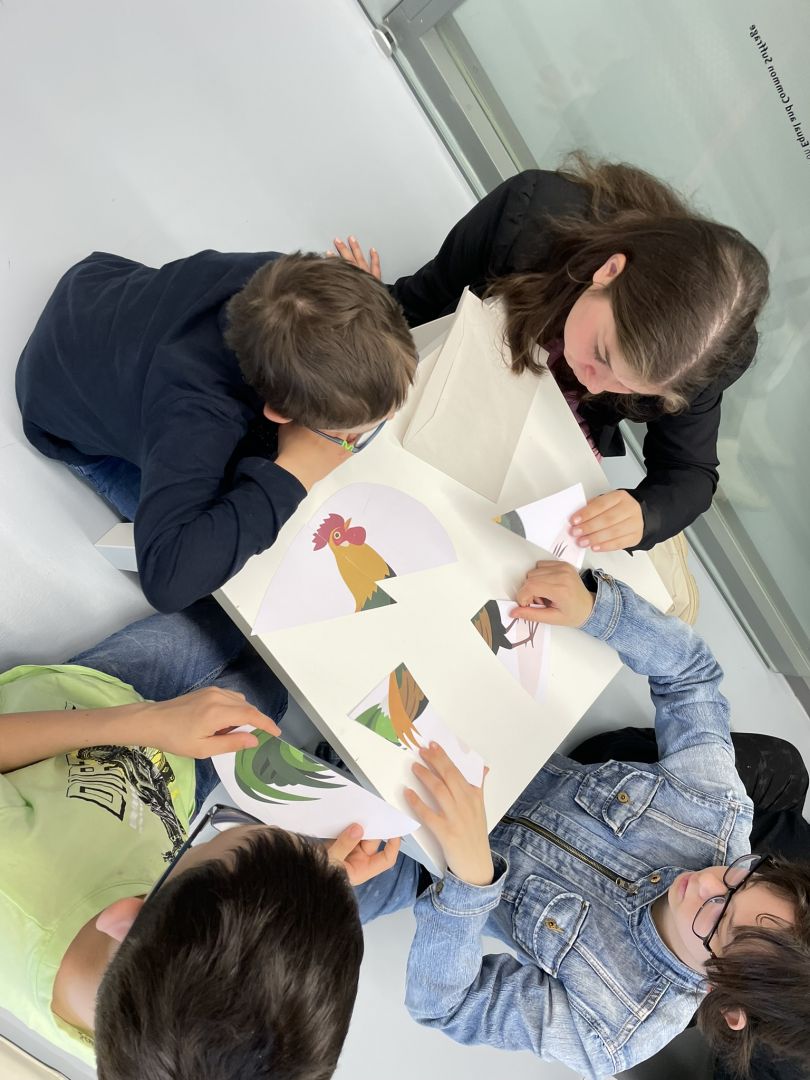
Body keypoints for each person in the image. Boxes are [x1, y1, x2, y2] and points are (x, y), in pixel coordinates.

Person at [352, 563, 810, 1078]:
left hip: (421, 866)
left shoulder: (613, 1033)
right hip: (487, 743)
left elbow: (447, 1006)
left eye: (718, 922)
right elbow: (691, 676)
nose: (706, 883)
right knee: (387, 610)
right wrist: (599, 611)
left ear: (729, 1008)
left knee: (303, 890)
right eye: (742, 878)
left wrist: (469, 880)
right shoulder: (715, 811)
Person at [0, 599, 399, 1078]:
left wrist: (142, 724)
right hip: (175, 780)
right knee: (279, 678)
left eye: (218, 830)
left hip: (89, 703)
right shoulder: (159, 1052)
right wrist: (316, 881)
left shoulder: (13, 888)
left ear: (125, 917)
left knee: (240, 612)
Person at [333, 153, 770, 555]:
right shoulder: (528, 218)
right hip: (451, 395)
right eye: (602, 354)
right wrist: (371, 305)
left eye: (631, 386)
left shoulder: (703, 358)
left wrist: (644, 515)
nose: (595, 383)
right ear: (608, 271)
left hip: (546, 454)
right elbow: (424, 302)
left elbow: (688, 471)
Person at [16, 251, 418, 613]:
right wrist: (296, 471)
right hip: (58, 396)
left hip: (99, 293)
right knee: (237, 566)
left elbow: (329, 333)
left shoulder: (282, 289)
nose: (351, 441)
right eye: (349, 435)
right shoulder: (195, 417)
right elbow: (168, 580)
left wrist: (362, 304)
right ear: (280, 412)